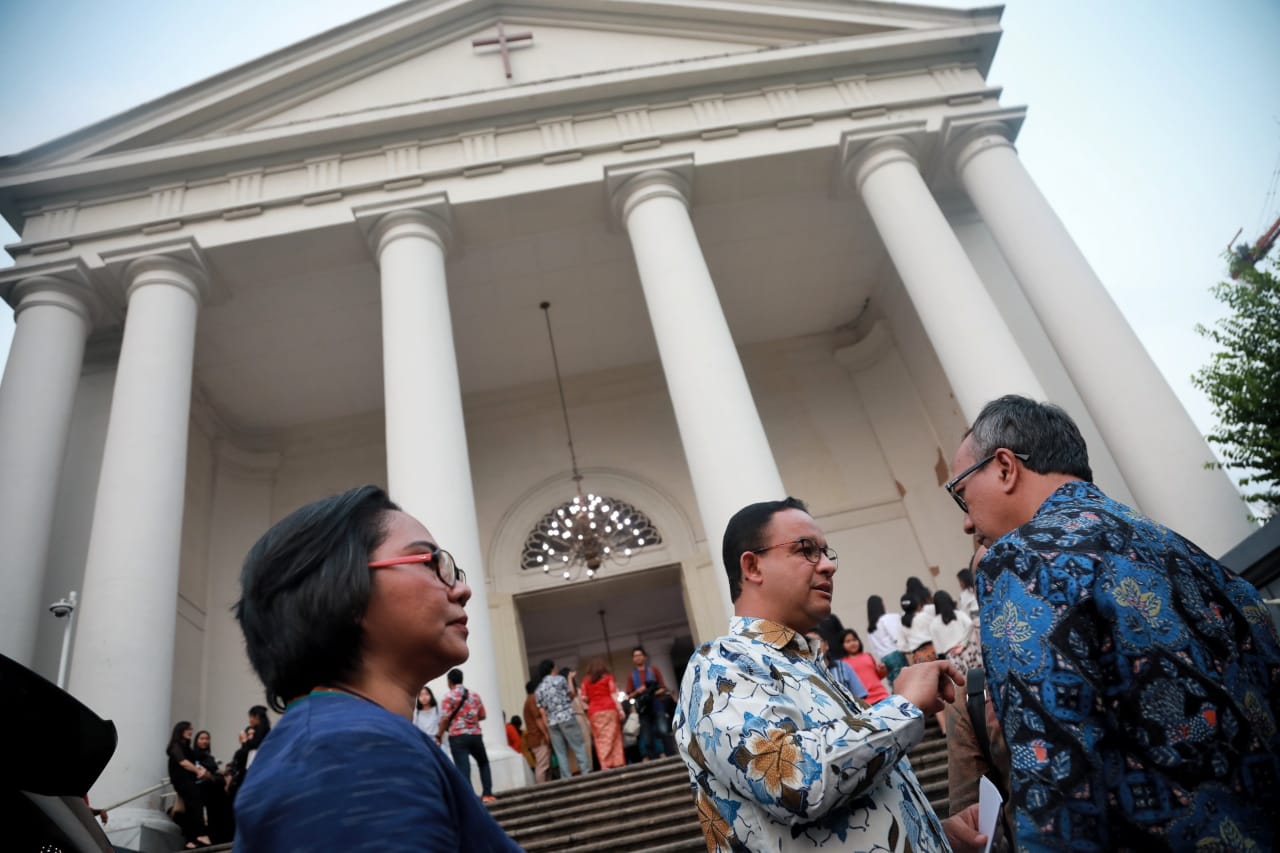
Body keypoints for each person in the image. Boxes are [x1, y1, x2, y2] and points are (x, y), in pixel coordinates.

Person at [947, 394, 1280, 850]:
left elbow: (1055, 779)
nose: (966, 522)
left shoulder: (1022, 559)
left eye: (960, 492)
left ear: (1005, 467)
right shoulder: (1183, 550)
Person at [676, 497, 985, 853]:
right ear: (753, 567)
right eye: (805, 550)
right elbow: (795, 782)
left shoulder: (808, 666)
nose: (827, 566)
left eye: (826, 552)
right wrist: (902, 705)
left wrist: (932, 834)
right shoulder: (721, 665)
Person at [231, 484, 521, 851]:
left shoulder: (345, 739)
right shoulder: (344, 751)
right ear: (343, 590)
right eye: (430, 564)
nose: (462, 590)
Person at [438, 668, 497, 803]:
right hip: (475, 735)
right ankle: (487, 794)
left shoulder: (448, 697)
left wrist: (439, 735)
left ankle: (470, 799)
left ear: (449, 681)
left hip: (457, 736)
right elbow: (482, 715)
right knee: (483, 762)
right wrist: (470, 720)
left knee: (463, 768)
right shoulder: (474, 695)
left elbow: (445, 718)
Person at [534, 659, 592, 778]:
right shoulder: (560, 680)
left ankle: (566, 777)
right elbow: (571, 694)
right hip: (566, 717)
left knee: (560, 752)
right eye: (555, 666)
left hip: (552, 722)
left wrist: (547, 727)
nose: (556, 668)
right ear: (551, 668)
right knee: (578, 745)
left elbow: (542, 709)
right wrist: (570, 679)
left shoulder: (539, 689)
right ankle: (586, 772)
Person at [166, 721, 212, 849]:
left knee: (190, 809)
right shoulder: (176, 745)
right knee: (196, 804)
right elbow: (183, 762)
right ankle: (201, 834)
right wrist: (199, 772)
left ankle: (192, 840)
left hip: (187, 780)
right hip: (182, 780)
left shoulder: (186, 747)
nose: (190, 731)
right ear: (180, 731)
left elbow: (193, 760)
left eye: (191, 729)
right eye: (187, 729)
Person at [626, 646, 673, 760]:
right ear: (633, 659)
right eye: (635, 656)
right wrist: (638, 691)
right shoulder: (632, 675)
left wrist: (652, 693)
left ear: (645, 657)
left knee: (662, 730)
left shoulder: (654, 670)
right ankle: (653, 757)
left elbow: (663, 687)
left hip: (656, 704)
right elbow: (629, 695)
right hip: (643, 709)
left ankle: (669, 754)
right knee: (646, 735)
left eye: (640, 655)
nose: (638, 658)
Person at [581, 657, 626, 769]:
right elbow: (614, 695)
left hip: (595, 712)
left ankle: (605, 763)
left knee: (600, 738)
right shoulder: (608, 678)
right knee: (614, 736)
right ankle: (617, 762)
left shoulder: (586, 681)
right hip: (610, 709)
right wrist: (620, 710)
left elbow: (584, 698)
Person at [191, 730, 234, 844]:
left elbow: (215, 774)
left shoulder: (209, 757)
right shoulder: (193, 756)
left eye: (207, 739)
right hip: (204, 791)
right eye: (202, 738)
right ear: (196, 741)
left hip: (215, 791)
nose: (205, 741)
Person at [929, 591, 980, 678]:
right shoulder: (959, 614)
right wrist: (963, 644)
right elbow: (971, 625)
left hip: (952, 657)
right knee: (980, 680)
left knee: (964, 684)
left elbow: (939, 651)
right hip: (968, 651)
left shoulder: (933, 624)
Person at [226, 705, 270, 802]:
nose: (250, 720)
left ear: (257, 716)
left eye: (251, 717)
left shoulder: (261, 731)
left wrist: (245, 741)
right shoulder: (265, 729)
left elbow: (253, 746)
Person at [866, 595, 908, 686]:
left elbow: (874, 649)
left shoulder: (870, 628)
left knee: (894, 683)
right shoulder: (886, 619)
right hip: (895, 654)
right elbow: (896, 637)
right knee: (906, 681)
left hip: (884, 659)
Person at [839, 628, 889, 703]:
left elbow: (878, 676)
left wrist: (882, 670)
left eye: (854, 640)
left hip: (882, 695)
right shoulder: (842, 664)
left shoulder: (867, 656)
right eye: (848, 641)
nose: (852, 643)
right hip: (865, 701)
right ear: (842, 645)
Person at [521, 679, 552, 783]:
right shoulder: (533, 699)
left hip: (535, 738)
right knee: (542, 765)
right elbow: (538, 718)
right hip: (538, 738)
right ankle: (542, 788)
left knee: (544, 764)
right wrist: (546, 733)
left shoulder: (528, 700)